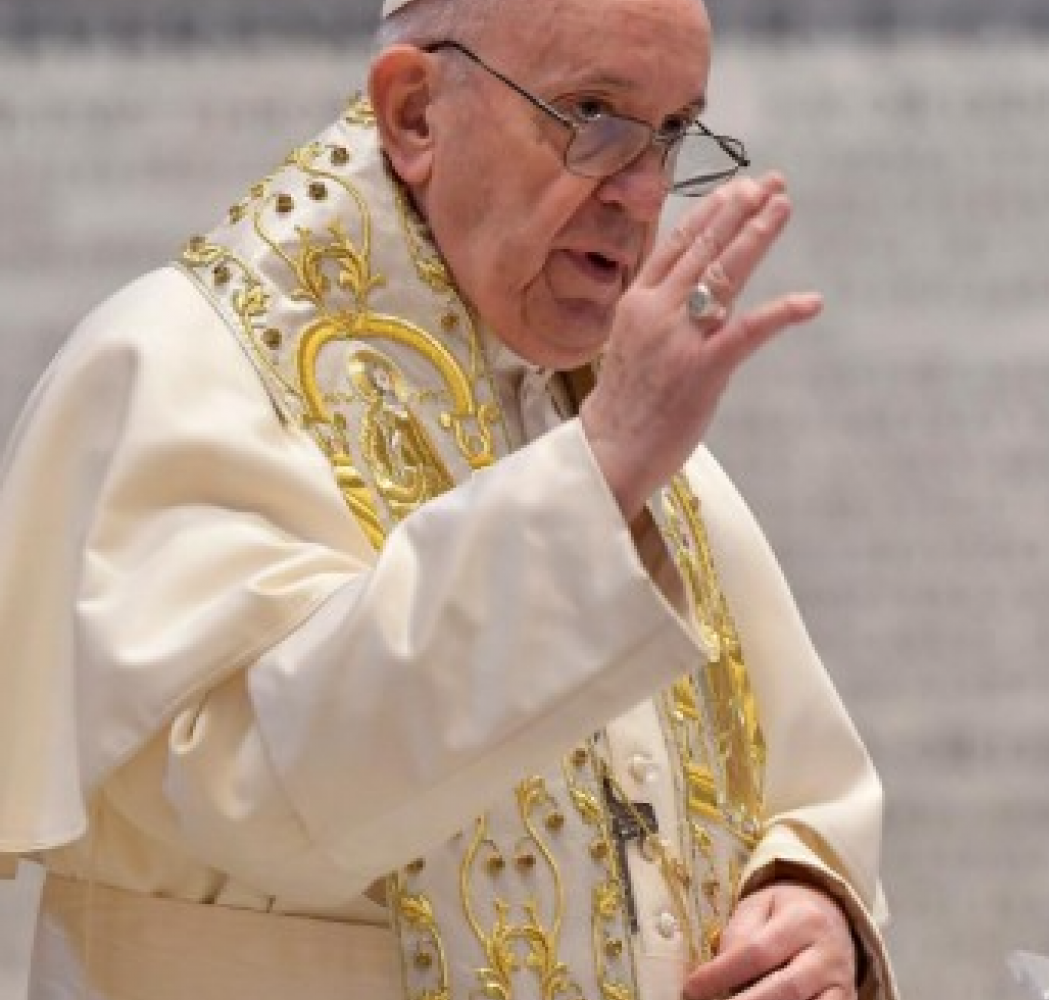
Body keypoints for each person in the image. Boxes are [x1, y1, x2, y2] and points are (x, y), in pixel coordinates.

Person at [0, 1, 897, 998]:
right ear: (415, 112)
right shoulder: (179, 369)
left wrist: (805, 898)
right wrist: (597, 475)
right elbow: (268, 799)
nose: (644, 193)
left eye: (674, 131)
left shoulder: (590, 405)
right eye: (591, 115)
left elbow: (800, 788)